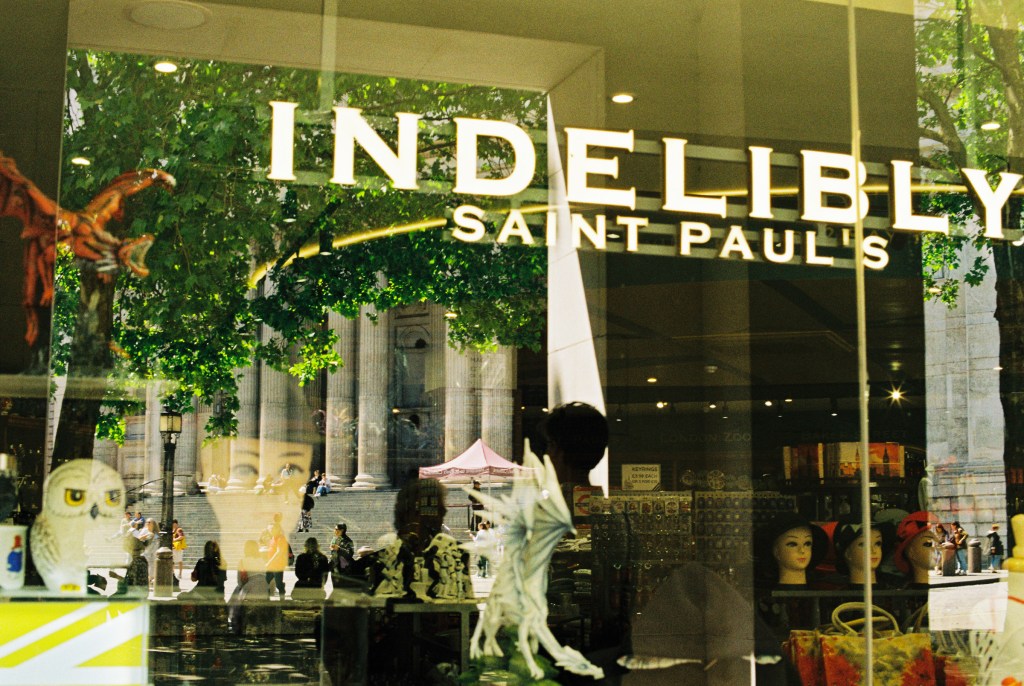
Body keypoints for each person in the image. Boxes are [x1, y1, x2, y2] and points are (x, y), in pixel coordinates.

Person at [265, 523, 289, 598]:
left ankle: (282, 599)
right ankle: (267, 598)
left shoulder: (281, 538)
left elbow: (279, 552)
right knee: (265, 582)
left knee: (278, 584)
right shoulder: (272, 538)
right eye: (269, 529)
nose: (270, 530)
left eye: (272, 529)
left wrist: (269, 562)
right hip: (271, 566)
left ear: (277, 529)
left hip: (277, 565)